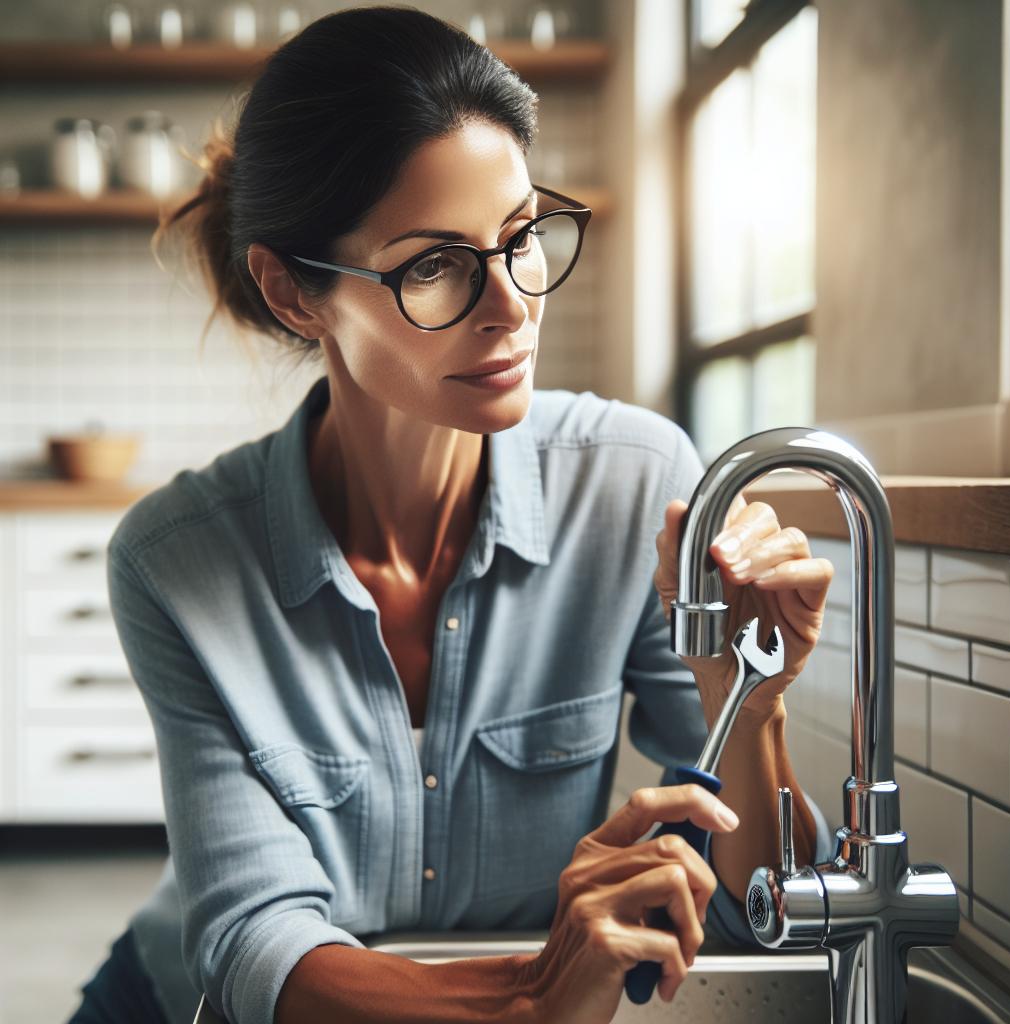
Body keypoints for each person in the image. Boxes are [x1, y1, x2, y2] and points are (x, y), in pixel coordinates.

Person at [67, 6, 835, 1024]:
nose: (512, 301)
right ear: (294, 292)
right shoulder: (178, 562)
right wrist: (529, 997)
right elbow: (255, 943)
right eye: (433, 264)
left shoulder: (632, 481)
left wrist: (754, 697)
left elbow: (764, 911)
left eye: (520, 237)